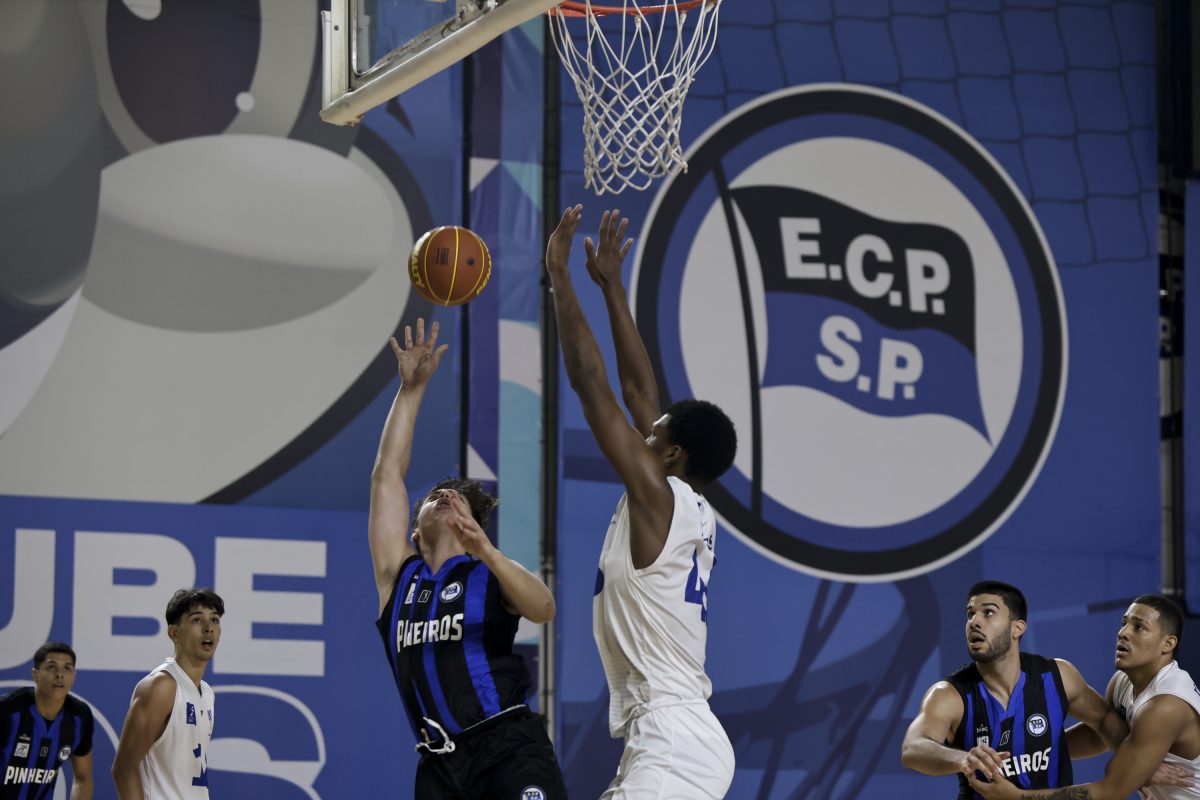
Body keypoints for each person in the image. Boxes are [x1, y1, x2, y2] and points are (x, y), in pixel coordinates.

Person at [545, 205, 739, 799]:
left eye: (651, 437)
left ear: (672, 455)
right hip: (667, 736)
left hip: (673, 737)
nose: (640, 437)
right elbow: (637, 391)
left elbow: (592, 383)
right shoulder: (681, 502)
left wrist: (560, 278)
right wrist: (612, 289)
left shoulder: (660, 496)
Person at [370, 317, 568, 799]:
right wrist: (411, 390)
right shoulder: (399, 576)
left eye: (456, 499)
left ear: (473, 525)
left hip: (507, 747)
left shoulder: (487, 572)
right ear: (414, 530)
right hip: (439, 766)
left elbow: (544, 608)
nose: (444, 497)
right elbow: (387, 475)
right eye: (433, 496)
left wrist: (487, 551)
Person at [901, 580, 1131, 798]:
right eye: (970, 614)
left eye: (988, 612)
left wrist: (1142, 770)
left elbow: (1105, 722)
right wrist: (963, 759)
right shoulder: (950, 694)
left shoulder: (1057, 676)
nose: (974, 622)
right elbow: (913, 748)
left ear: (1017, 628)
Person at [964, 593, 1200, 800]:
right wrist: (1027, 752)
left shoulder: (1165, 705)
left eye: (1139, 627)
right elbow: (1100, 736)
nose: (1123, 633)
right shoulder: (1123, 682)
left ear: (1167, 644)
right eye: (1124, 623)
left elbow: (1111, 791)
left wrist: (1017, 796)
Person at [111, 588, 224, 800]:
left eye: (214, 620)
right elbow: (123, 768)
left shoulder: (207, 693)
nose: (208, 628)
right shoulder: (161, 687)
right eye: (197, 620)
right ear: (174, 633)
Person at [0, 642, 94, 799]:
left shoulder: (79, 716)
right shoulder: (8, 710)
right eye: (51, 667)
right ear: (35, 674)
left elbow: (83, 778)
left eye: (67, 668)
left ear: (74, 676)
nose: (59, 675)